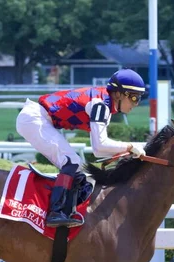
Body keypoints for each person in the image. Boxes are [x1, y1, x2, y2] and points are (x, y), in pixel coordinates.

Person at [16, 68, 146, 228]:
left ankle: (66, 209)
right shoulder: (101, 106)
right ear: (118, 94)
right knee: (71, 162)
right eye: (134, 97)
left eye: (139, 98)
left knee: (80, 177)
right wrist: (130, 146)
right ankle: (55, 212)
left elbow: (98, 149)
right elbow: (100, 146)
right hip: (34, 119)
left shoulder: (104, 104)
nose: (136, 103)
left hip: (38, 118)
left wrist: (126, 150)